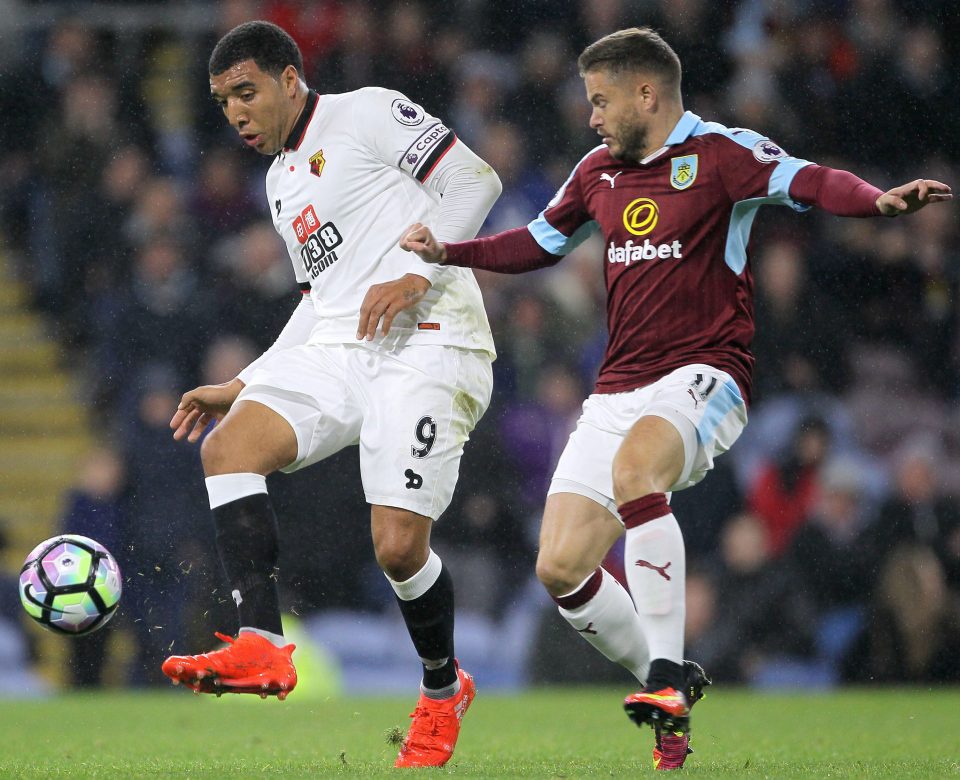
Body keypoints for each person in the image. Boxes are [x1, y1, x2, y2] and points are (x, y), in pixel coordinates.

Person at [399, 26, 952, 771]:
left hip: (706, 376)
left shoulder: (722, 155)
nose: (591, 117)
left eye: (600, 101)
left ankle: (663, 673)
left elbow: (810, 179)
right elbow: (536, 240)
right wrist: (449, 252)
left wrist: (877, 202)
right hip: (617, 388)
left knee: (637, 475)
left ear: (646, 93)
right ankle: (671, 694)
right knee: (560, 567)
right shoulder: (598, 170)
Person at [161, 21, 501, 769]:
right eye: (222, 102)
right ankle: (263, 643)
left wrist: (417, 271)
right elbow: (321, 301)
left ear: (290, 79)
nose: (237, 114)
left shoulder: (369, 112)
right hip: (343, 345)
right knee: (230, 447)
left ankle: (443, 689)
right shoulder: (281, 184)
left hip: (432, 338)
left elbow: (476, 181)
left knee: (398, 547)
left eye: (246, 92)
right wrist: (246, 381)